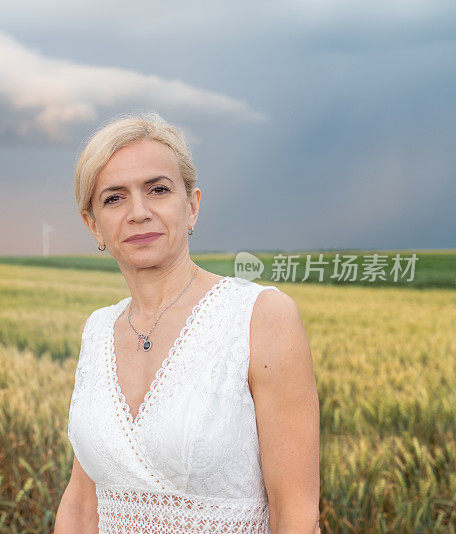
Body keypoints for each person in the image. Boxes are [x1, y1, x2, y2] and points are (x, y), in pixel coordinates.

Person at [54, 111, 320, 533]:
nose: (138, 212)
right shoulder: (98, 330)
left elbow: (296, 514)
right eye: (114, 197)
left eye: (157, 190)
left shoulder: (260, 316)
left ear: (192, 205)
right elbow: (83, 502)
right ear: (94, 226)